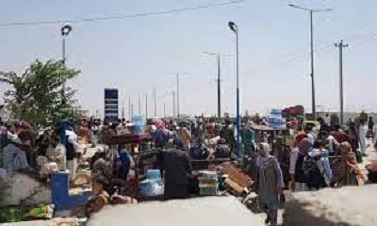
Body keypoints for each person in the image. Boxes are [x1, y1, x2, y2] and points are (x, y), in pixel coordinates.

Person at [256, 143, 284, 226]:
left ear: (265, 149)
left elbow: (279, 173)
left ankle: (273, 223)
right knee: (261, 205)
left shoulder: (272, 160)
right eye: (259, 148)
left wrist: (280, 186)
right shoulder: (258, 159)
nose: (260, 150)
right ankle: (268, 214)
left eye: (261, 148)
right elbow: (257, 173)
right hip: (262, 186)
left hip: (272, 186)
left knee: (273, 206)